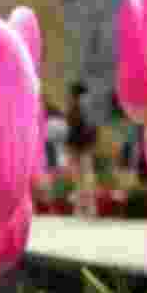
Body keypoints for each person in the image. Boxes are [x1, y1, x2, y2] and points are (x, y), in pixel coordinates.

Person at [65, 82, 100, 216]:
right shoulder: (90, 107)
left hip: (77, 145)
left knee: (80, 178)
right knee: (86, 176)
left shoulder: (76, 106)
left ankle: (81, 208)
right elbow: (94, 128)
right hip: (85, 145)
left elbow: (72, 126)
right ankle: (90, 207)